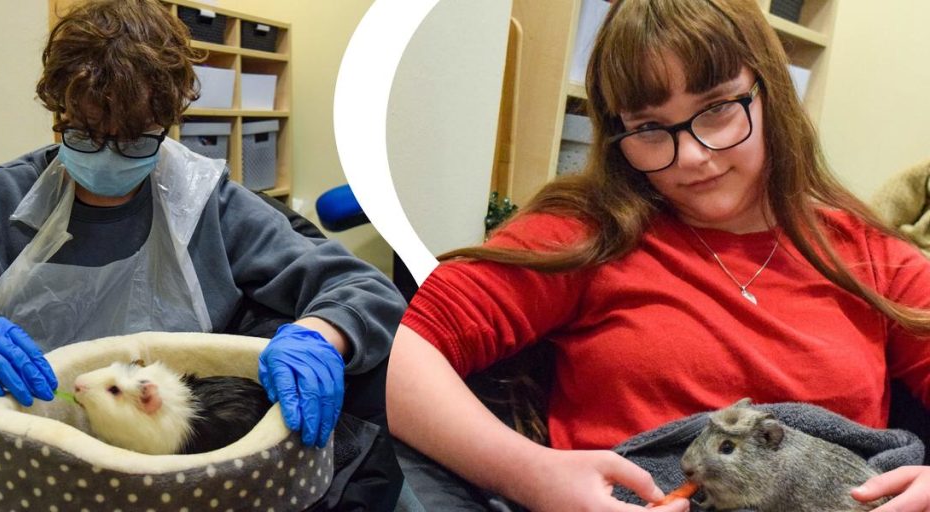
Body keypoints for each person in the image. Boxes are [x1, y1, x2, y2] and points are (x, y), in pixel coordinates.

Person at [386, 1, 930, 511]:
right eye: (648, 128)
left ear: (770, 92)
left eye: (717, 108)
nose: (692, 156)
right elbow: (401, 352)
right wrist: (531, 474)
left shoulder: (868, 255)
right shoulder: (584, 233)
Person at [0, 0, 405, 510]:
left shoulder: (207, 204)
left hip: (175, 478)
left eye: (135, 140)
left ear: (168, 122)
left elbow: (362, 289)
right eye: (85, 133)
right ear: (59, 110)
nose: (108, 157)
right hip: (19, 482)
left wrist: (318, 337)